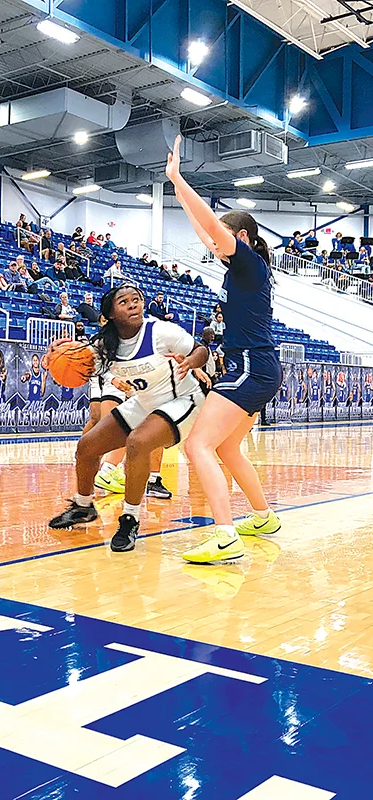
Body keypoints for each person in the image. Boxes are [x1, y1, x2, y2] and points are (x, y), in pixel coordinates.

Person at [166, 134, 283, 564]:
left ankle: (224, 535)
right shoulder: (241, 266)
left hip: (251, 368)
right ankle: (263, 516)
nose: (215, 246)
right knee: (228, 447)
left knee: (197, 446)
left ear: (245, 237)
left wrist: (182, 177)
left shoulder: (249, 263)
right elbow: (207, 232)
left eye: (226, 239)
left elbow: (213, 227)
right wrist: (174, 186)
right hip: (259, 367)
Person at [48, 284, 207, 551]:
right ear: (110, 314)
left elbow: (201, 349)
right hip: (145, 403)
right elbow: (85, 365)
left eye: (136, 299)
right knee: (87, 446)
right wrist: (55, 354)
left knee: (137, 442)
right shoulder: (104, 344)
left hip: (184, 399)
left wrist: (191, 362)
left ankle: (130, 518)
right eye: (124, 302)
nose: (133, 304)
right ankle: (83, 506)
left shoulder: (161, 331)